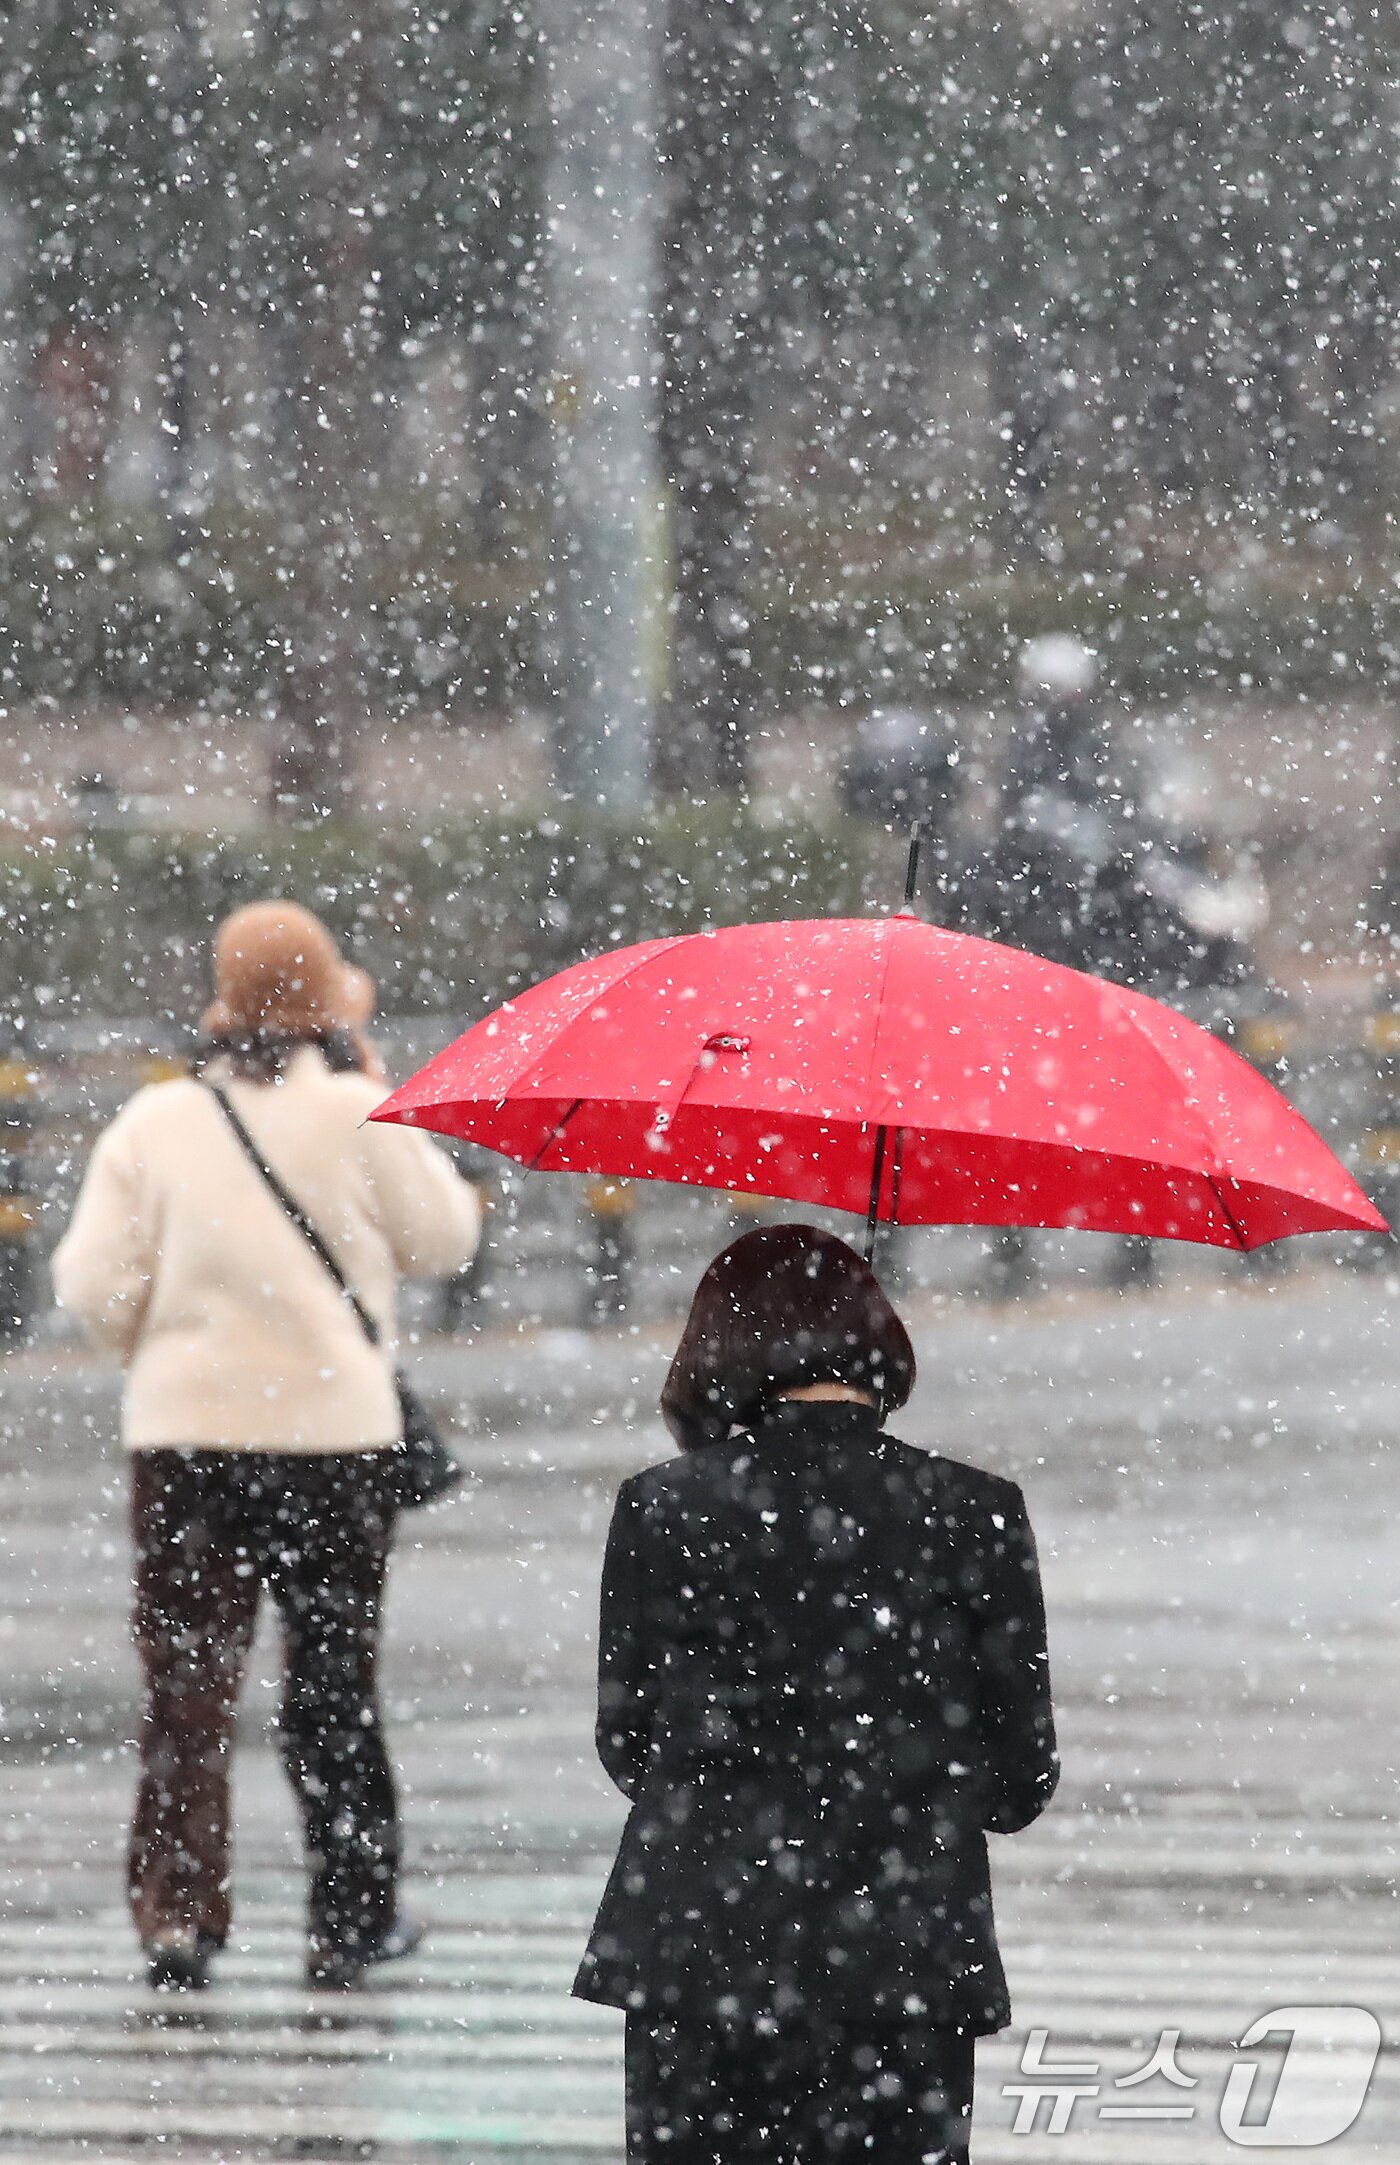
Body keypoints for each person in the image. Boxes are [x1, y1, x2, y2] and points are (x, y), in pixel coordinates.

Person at [52, 901, 483, 1993]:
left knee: (186, 1690)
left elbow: (91, 1291)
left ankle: (179, 1913)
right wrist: (372, 1088)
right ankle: (350, 1914)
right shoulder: (356, 1108)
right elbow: (446, 1239)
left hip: (188, 1440)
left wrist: (180, 1324)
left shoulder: (154, 1127)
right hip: (336, 1441)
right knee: (333, 1683)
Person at [574, 1224, 1058, 2164]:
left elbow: (628, 1741)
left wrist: (737, 1805)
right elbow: (1018, 1781)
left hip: (701, 1945)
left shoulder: (664, 1504)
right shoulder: (973, 1509)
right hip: (903, 1961)